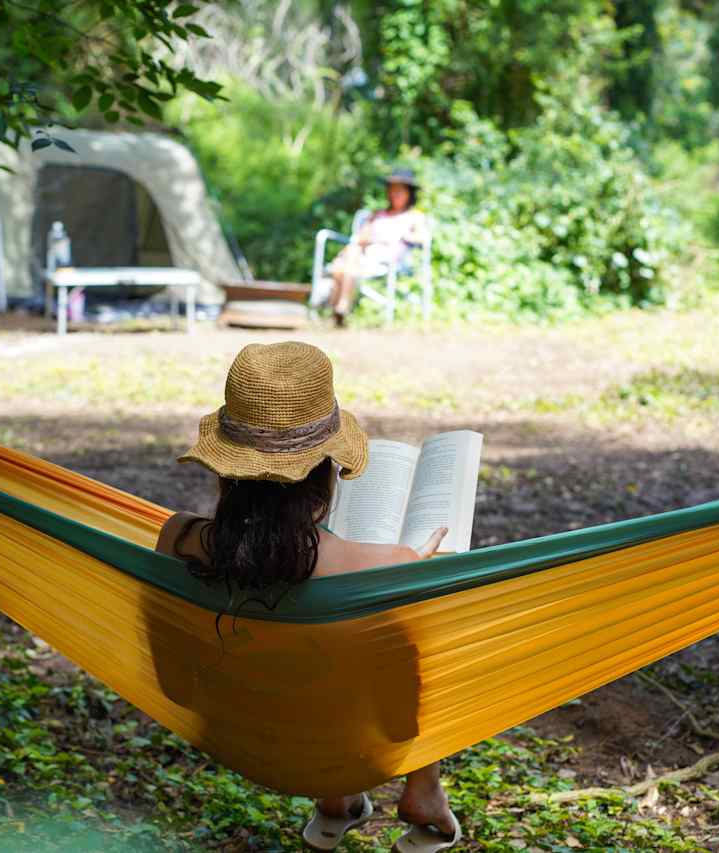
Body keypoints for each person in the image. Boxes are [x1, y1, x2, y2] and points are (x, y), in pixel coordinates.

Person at [155, 341, 462, 852]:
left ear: (227, 470)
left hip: (241, 739)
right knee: (420, 636)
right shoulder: (387, 569)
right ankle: (423, 790)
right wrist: (414, 574)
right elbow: (401, 713)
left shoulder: (176, 540)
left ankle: (337, 799)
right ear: (327, 472)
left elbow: (174, 685)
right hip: (360, 749)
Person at [327, 168, 429, 327]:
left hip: (393, 257)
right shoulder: (377, 215)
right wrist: (373, 239)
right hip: (366, 255)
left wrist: (402, 236)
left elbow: (422, 238)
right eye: (392, 190)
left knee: (343, 265)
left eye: (399, 191)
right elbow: (361, 237)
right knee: (351, 255)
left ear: (409, 193)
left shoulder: (414, 216)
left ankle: (336, 306)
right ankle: (342, 307)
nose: (395, 194)